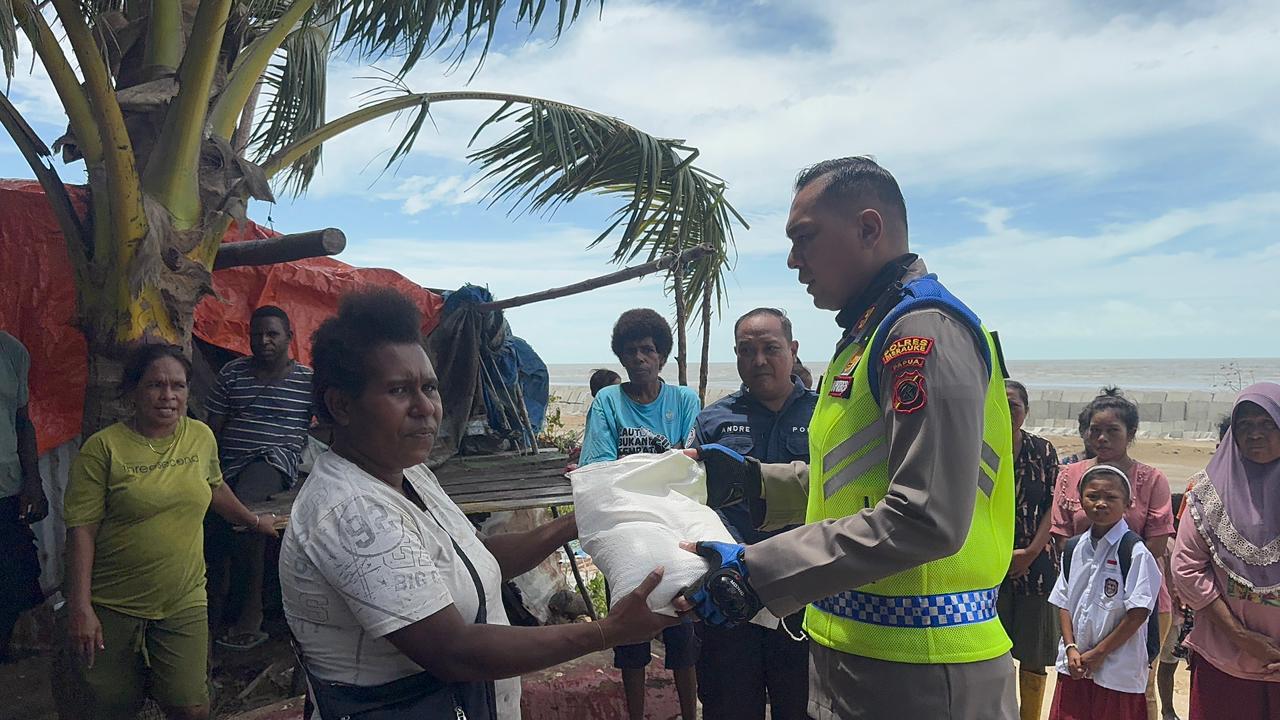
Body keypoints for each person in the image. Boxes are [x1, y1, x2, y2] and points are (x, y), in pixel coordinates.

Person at [678, 156, 1018, 719]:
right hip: (857, 652)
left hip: (926, 668)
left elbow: (925, 515)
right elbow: (861, 477)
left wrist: (758, 573)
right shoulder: (868, 334)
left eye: (804, 238)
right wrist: (754, 483)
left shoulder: (920, 330)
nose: (793, 260)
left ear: (868, 228)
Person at [279, 288, 676, 720]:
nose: (425, 408)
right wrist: (608, 631)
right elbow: (454, 651)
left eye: (429, 387)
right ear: (341, 405)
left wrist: (578, 521)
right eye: (399, 390)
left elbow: (474, 559)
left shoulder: (409, 473)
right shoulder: (350, 510)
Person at [61, 344, 278, 720]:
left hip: (183, 599)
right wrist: (81, 608)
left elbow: (213, 486)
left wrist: (253, 520)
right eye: (155, 385)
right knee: (110, 707)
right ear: (133, 391)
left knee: (191, 706)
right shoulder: (104, 449)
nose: (168, 396)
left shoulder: (200, 436)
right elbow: (82, 529)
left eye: (178, 386)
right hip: (114, 604)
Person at [690, 308, 816, 720]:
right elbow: (691, 503)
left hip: (808, 594)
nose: (758, 360)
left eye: (770, 348)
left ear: (793, 351)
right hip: (731, 594)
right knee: (729, 706)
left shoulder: (826, 417)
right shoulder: (713, 421)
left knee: (800, 706)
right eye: (747, 351)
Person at [578, 308, 701, 720]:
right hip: (627, 528)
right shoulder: (608, 402)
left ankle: (690, 711)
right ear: (621, 357)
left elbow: (688, 468)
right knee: (630, 629)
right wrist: (656, 470)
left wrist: (638, 473)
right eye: (630, 351)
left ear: (662, 355)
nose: (639, 358)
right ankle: (635, 713)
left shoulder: (684, 400)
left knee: (682, 627)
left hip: (673, 522)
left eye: (647, 349)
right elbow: (599, 473)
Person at [1051, 387, 1176, 720]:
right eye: (1095, 430)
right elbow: (1062, 537)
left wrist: (1112, 574)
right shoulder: (1070, 476)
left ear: (1130, 433)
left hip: (1137, 602)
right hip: (1080, 600)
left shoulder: (1152, 479)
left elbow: (1156, 545)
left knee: (1135, 688)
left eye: (1112, 430)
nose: (1102, 437)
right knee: (1080, 694)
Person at [205, 305, 314, 651]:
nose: (263, 341)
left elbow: (330, 421)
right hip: (228, 463)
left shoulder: (307, 381)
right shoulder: (232, 374)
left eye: (272, 334)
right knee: (212, 529)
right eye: (257, 335)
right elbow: (214, 428)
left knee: (248, 518)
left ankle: (251, 614)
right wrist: (206, 468)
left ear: (289, 338)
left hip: (272, 461)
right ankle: (211, 618)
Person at [1171, 383, 1280, 720]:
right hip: (1225, 659)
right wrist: (1241, 637)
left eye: (1267, 424)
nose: (1255, 435)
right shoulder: (1207, 493)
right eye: (1244, 425)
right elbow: (1186, 567)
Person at [1048, 465, 1162, 720]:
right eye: (1092, 496)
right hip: (1075, 666)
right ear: (1080, 499)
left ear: (1128, 503)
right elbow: (1064, 601)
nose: (1101, 504)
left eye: (1111, 498)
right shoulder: (1074, 548)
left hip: (1116, 669)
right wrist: (1071, 648)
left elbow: (1139, 612)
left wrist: (1099, 654)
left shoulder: (1134, 552)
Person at [1155, 415, 1230, 720]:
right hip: (1199, 592)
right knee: (1176, 655)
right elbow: (1186, 540)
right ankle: (1170, 710)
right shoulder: (1199, 486)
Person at [999, 379, 1061, 720]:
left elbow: (1054, 504)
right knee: (994, 651)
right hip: (988, 563)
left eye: (1014, 406)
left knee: (1034, 652)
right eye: (1000, 404)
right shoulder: (978, 448)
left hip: (1037, 563)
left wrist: (1031, 552)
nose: (1008, 412)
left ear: (1025, 410)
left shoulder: (1043, 450)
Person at [0, 331, 46, 662]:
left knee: (17, 574)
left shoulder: (13, 351)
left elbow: (22, 421)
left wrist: (33, 482)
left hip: (7, 486)